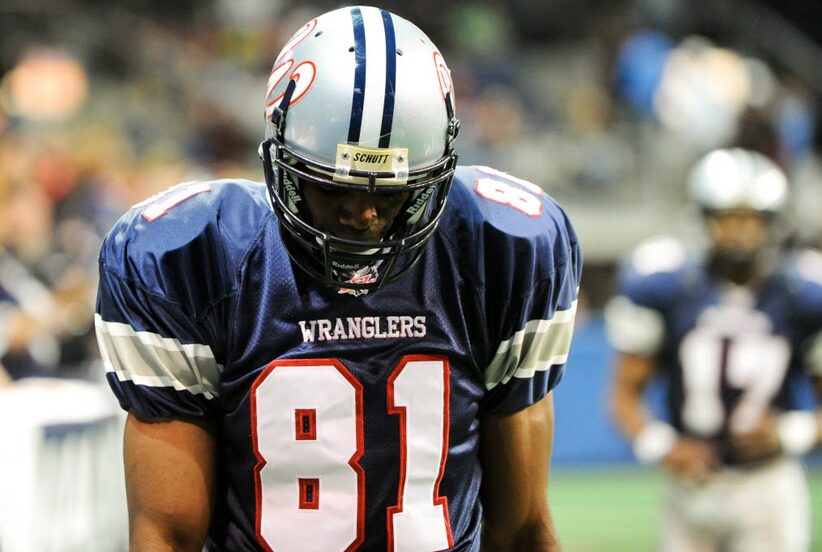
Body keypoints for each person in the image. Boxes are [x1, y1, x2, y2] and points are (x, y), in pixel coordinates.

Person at [94, 6, 582, 551]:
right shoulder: (192, 255)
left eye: (388, 192)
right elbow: (167, 533)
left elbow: (522, 529)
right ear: (280, 159)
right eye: (332, 189)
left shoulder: (501, 246)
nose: (362, 215)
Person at [606, 147, 822, 552]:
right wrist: (664, 447)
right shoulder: (665, 285)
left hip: (768, 484)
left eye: (752, 220)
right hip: (690, 488)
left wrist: (787, 433)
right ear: (703, 219)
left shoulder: (805, 294)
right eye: (729, 219)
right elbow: (623, 396)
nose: (742, 232)